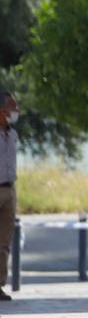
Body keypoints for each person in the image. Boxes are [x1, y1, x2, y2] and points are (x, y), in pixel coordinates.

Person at [0, 91, 19, 302]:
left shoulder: (12, 134)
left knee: (4, 241)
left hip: (9, 189)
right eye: (13, 107)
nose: (17, 111)